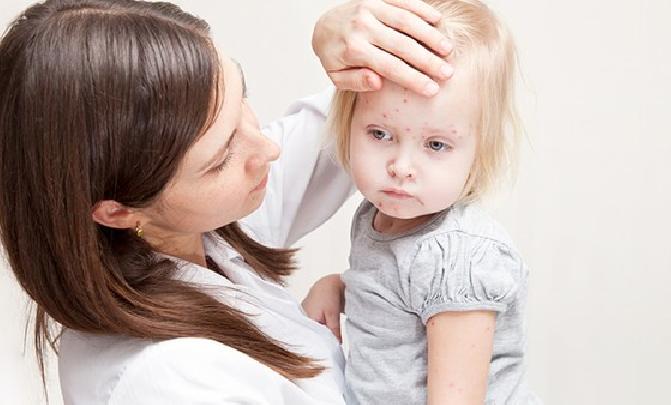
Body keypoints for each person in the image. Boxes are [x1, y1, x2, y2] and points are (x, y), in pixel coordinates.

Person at [0, 0, 455, 403]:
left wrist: (353, 32)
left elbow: (435, 55)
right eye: (219, 159)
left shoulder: (195, 229)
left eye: (243, 103)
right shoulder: (171, 382)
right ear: (118, 210)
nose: (267, 150)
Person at [303, 1, 541, 403]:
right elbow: (396, 299)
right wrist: (337, 288)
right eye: (380, 134)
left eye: (435, 144)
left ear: (479, 150)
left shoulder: (458, 257)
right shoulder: (379, 214)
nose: (401, 166)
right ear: (348, 124)